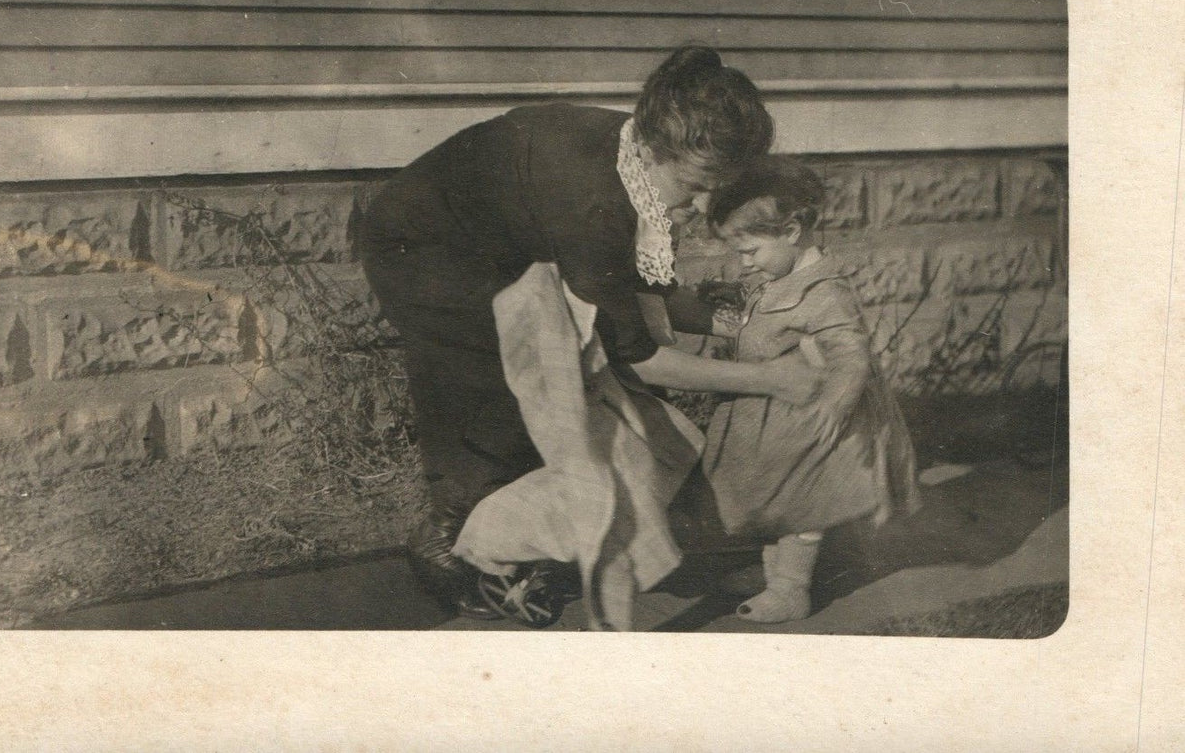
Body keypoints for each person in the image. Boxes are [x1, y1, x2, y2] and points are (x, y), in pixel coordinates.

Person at [357, 46, 822, 617]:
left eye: (720, 186)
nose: (706, 205)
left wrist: (731, 320)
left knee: (573, 401)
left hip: (500, 243)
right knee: (500, 392)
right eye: (697, 184)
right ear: (653, 151)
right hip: (423, 248)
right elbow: (637, 355)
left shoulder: (633, 160)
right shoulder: (595, 202)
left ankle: (542, 533)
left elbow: (640, 292)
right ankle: (453, 552)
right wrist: (771, 380)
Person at [702, 156, 921, 623]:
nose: (743, 261)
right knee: (772, 499)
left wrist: (837, 402)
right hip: (770, 418)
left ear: (793, 230)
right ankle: (775, 579)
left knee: (802, 507)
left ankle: (790, 588)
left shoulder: (824, 291)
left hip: (807, 421)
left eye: (751, 249)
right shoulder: (777, 277)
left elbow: (850, 354)